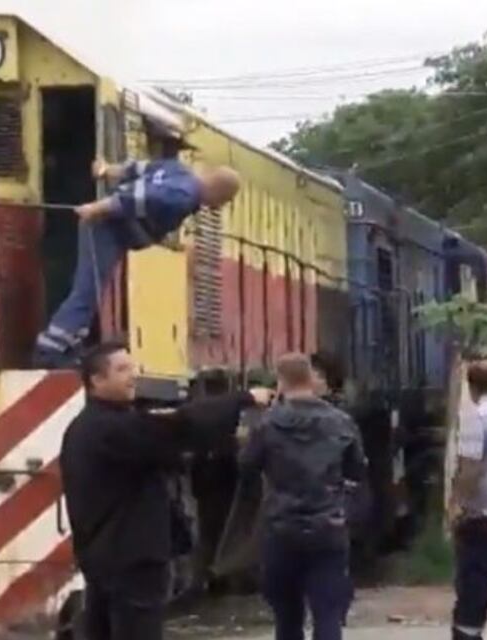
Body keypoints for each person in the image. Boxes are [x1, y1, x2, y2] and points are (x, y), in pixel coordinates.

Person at [61, 341, 272, 640]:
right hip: (132, 559)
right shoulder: (113, 428)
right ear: (96, 381)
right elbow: (181, 426)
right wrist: (243, 398)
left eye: (132, 368)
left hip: (102, 558)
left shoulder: (84, 428)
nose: (132, 376)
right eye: (122, 370)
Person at [33, 159, 242, 367]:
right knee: (87, 292)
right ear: (218, 192)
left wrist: (106, 170)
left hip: (110, 228)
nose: (219, 207)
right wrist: (96, 208)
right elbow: (138, 198)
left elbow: (136, 169)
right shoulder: (183, 196)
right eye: (224, 201)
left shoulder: (177, 170)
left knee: (90, 290)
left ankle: (68, 344)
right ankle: (49, 350)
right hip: (106, 228)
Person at [239, 352, 366, 640]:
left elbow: (246, 466)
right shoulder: (342, 422)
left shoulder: (267, 425)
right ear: (310, 378)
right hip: (327, 528)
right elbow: (357, 471)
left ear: (280, 382)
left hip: (281, 529)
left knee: (287, 620)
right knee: (328, 617)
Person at [449, 360, 487, 640]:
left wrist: (458, 506)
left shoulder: (476, 417)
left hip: (483, 518)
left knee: (473, 596)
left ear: (472, 388)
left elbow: (470, 469)